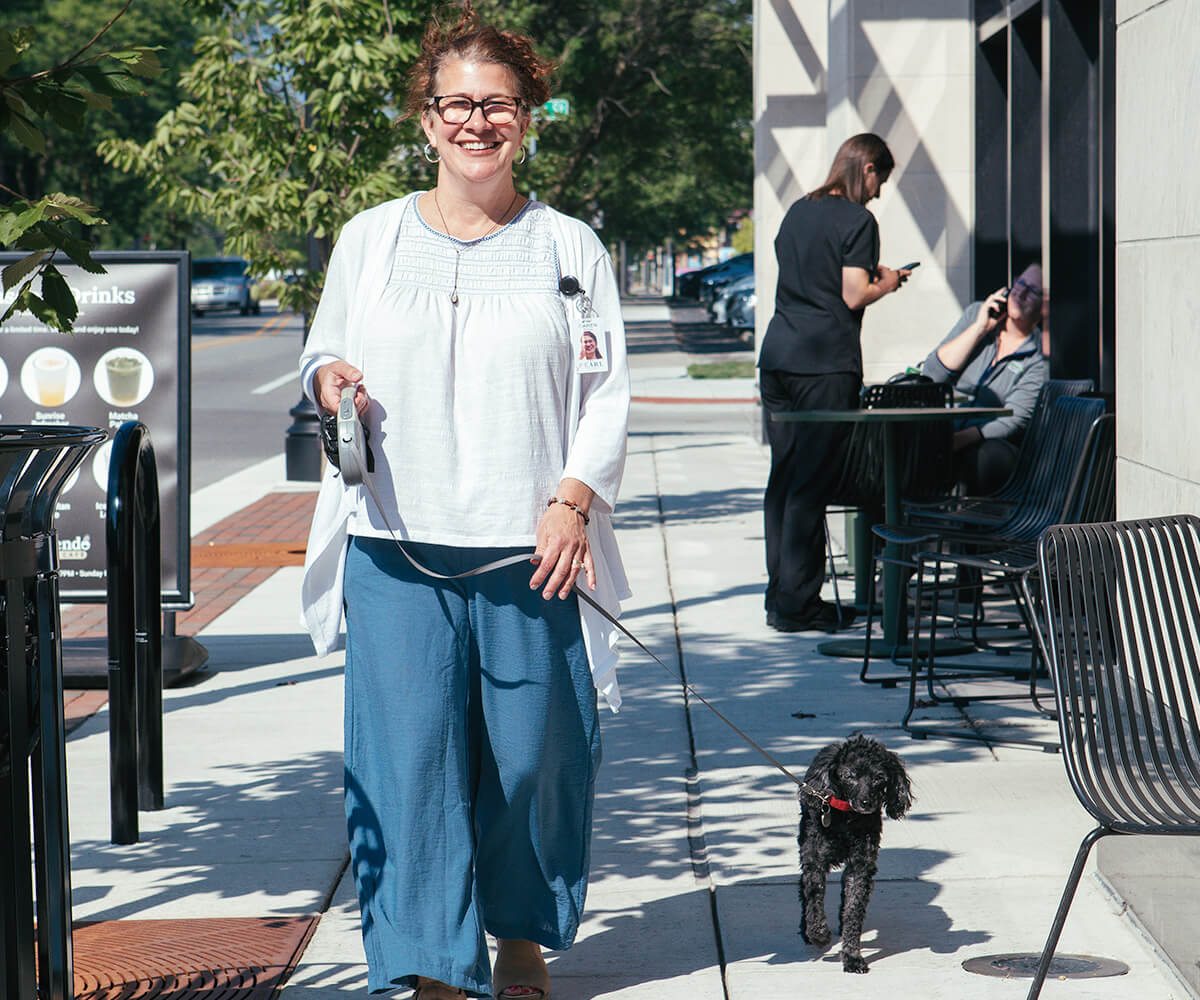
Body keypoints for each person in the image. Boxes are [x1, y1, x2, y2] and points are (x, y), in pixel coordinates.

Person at [297, 8, 631, 1000]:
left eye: (499, 103)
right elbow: (321, 351)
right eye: (458, 104)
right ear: (427, 119)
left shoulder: (571, 246)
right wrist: (327, 380)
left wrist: (575, 496)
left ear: (527, 117)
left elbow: (606, 386)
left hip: (529, 548)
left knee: (536, 757)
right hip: (397, 546)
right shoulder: (371, 238)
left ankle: (520, 931)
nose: (477, 122)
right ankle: (435, 964)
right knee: (411, 768)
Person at [758, 133, 909, 633]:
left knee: (784, 477)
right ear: (866, 168)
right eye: (880, 179)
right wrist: (887, 283)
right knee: (811, 482)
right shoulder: (859, 220)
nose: (879, 192)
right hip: (824, 363)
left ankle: (780, 594)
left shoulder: (799, 211)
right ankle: (800, 605)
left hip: (779, 356)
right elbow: (851, 293)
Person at [920, 263, 1049, 494]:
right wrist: (979, 328)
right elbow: (932, 375)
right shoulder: (975, 316)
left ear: (1044, 309)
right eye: (1020, 283)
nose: (1022, 292)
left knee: (986, 457)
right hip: (943, 431)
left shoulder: (1036, 361)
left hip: (985, 446)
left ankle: (965, 525)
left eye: (1033, 290)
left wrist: (959, 440)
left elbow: (1013, 421)